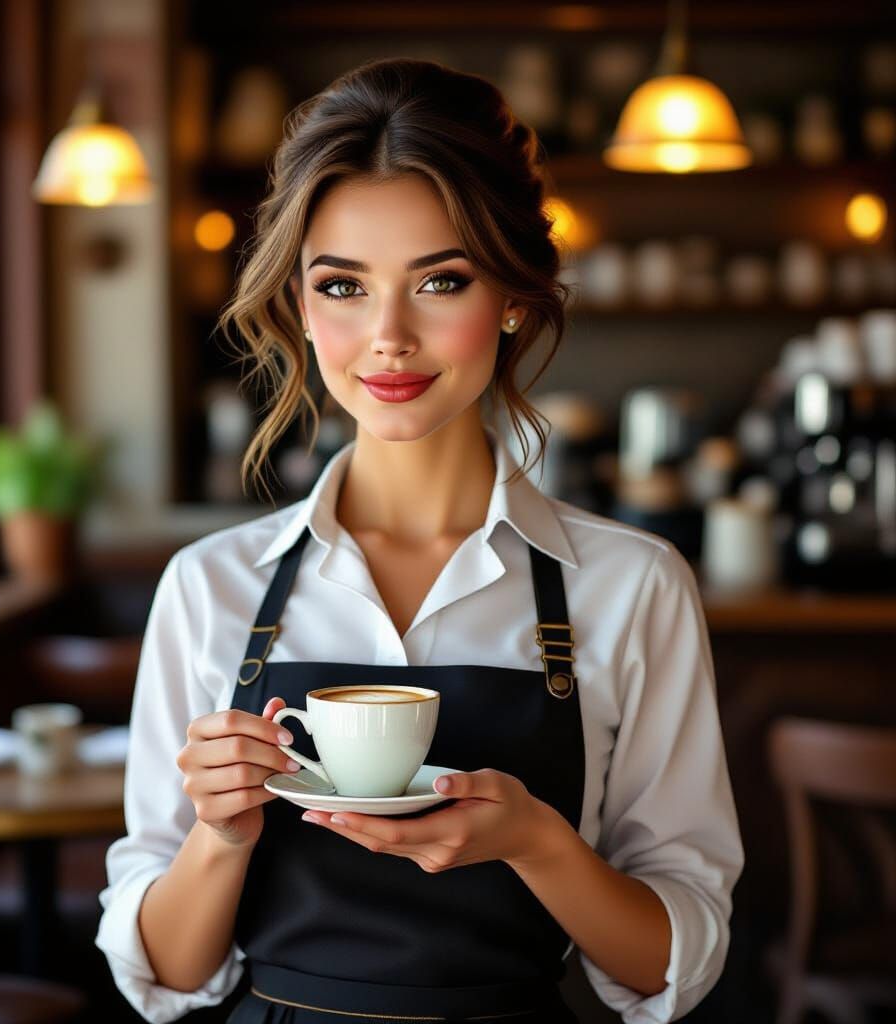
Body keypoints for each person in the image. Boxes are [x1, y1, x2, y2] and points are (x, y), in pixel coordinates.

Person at [95, 57, 743, 1024]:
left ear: (516, 297)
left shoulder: (631, 584)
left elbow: (668, 970)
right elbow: (171, 977)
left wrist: (537, 842)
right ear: (302, 311)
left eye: (441, 280)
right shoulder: (210, 586)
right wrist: (221, 838)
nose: (389, 336)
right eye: (344, 286)